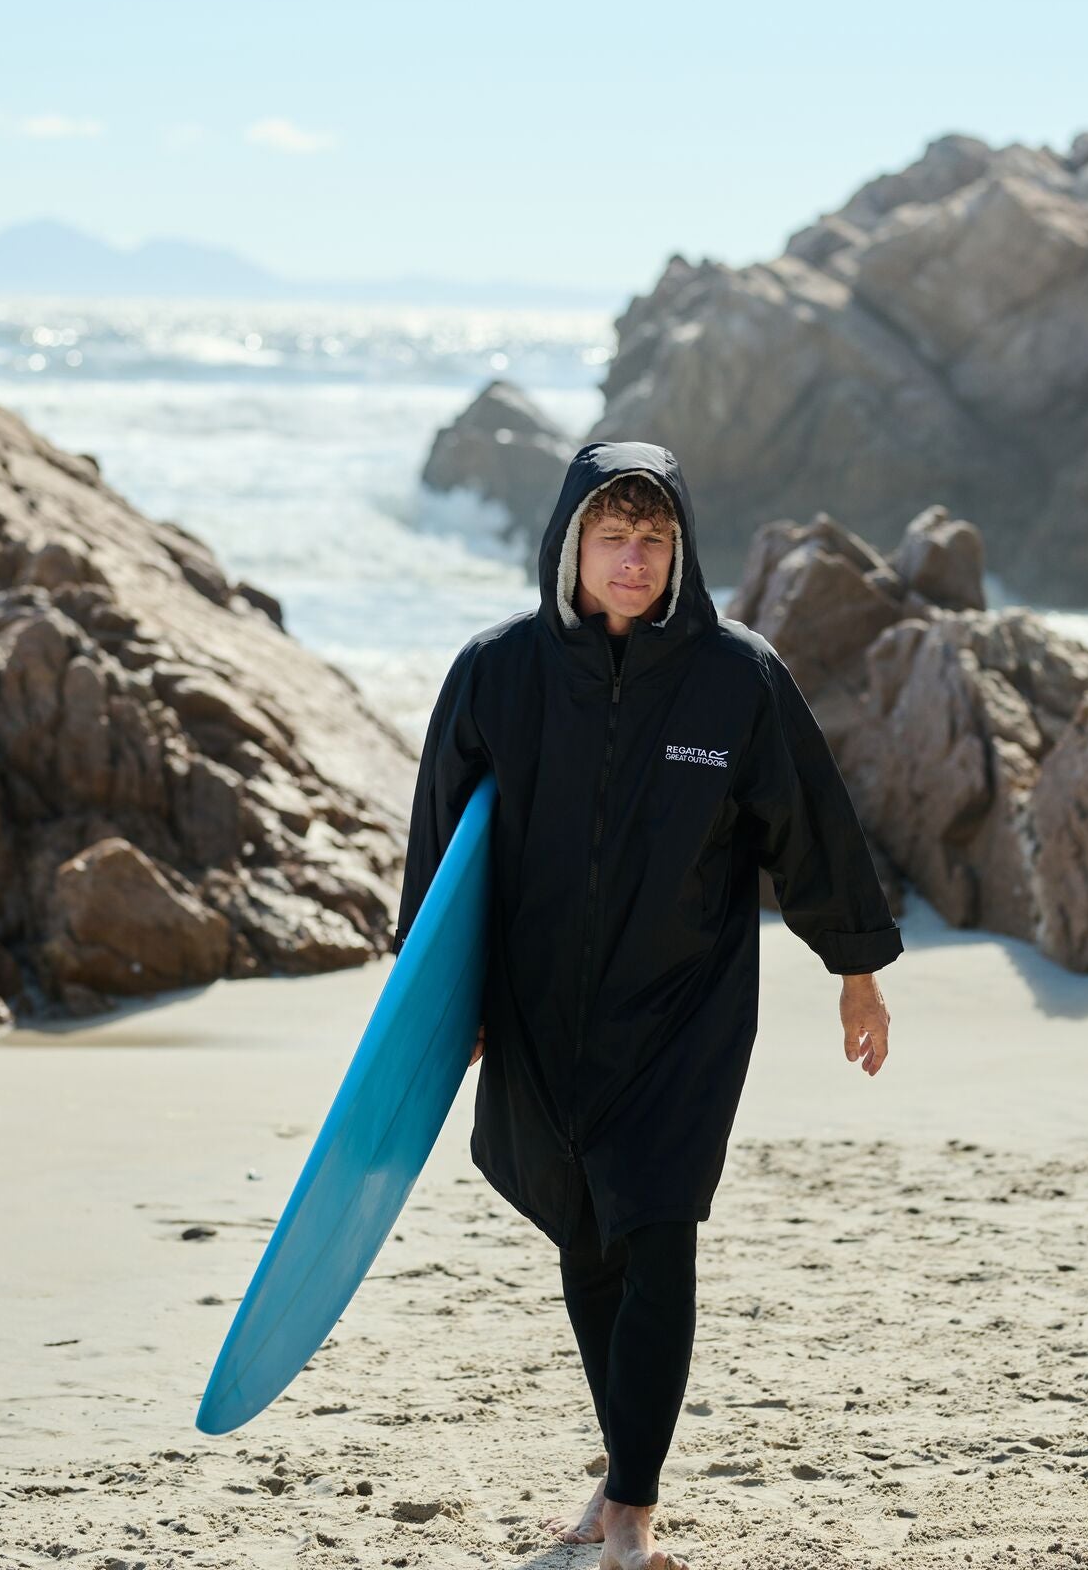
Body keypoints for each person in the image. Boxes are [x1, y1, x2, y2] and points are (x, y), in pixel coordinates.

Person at [393, 439, 902, 1570]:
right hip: (538, 1007)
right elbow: (438, 849)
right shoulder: (498, 672)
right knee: (585, 1236)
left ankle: (631, 1507)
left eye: (656, 538)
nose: (635, 558)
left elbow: (810, 830)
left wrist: (855, 972)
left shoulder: (734, 676)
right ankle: (621, 1467)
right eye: (613, 536)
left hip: (683, 1010)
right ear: (569, 544)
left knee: (658, 1230)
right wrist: (438, 1008)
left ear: (681, 549)